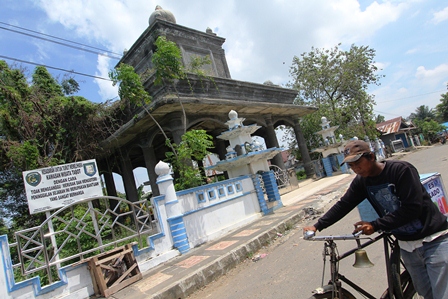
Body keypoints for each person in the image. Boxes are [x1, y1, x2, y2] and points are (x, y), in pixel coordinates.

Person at [303, 140, 448, 299]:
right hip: (408, 247)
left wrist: (375, 225)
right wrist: (317, 226)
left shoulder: (401, 170)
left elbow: (412, 208)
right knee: (427, 294)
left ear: (371, 156)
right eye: (351, 166)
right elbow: (344, 204)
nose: (355, 169)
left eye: (358, 163)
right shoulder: (361, 181)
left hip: (433, 240)